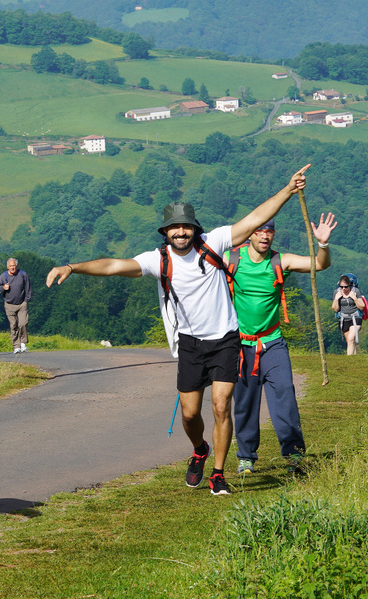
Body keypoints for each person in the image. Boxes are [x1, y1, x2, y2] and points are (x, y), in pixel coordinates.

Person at [46, 165, 311, 497]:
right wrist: (72, 267)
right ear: (165, 233)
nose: (181, 232)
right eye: (175, 228)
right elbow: (114, 265)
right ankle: (200, 449)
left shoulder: (213, 243)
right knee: (189, 414)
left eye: (186, 227)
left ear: (194, 228)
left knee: (220, 405)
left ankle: (218, 473)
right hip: (190, 344)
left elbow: (255, 218)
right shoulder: (158, 260)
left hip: (226, 339)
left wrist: (288, 190)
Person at [229, 212, 334, 475]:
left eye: (270, 231)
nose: (265, 235)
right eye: (260, 230)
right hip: (240, 345)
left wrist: (322, 244)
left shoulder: (280, 261)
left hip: (272, 343)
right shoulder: (231, 259)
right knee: (245, 401)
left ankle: (294, 455)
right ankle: (246, 457)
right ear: (250, 233)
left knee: (285, 394)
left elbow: (319, 265)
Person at [0, 257, 33, 352]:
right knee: (13, 326)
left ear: (17, 266)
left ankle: (23, 342)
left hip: (22, 303)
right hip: (9, 304)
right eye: (11, 266)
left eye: (14, 266)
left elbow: (28, 287)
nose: (12, 267)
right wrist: (4, 287)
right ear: (7, 266)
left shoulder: (23, 274)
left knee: (23, 323)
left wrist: (26, 300)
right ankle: (16, 346)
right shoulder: (3, 276)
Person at [332, 274, 368, 355]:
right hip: (343, 318)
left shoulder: (355, 291)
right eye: (342, 287)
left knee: (351, 339)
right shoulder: (337, 292)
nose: (344, 289)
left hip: (356, 317)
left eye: (346, 287)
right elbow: (335, 309)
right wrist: (336, 299)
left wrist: (354, 298)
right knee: (350, 342)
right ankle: (354, 360)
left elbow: (362, 306)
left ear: (350, 285)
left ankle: (348, 359)